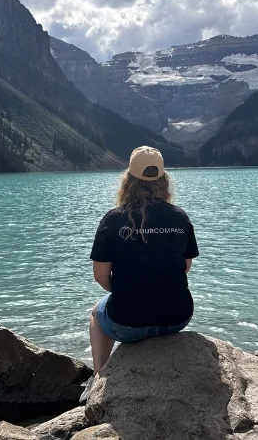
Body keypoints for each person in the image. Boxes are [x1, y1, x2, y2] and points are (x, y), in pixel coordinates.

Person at [80, 146, 199, 403]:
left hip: (127, 324)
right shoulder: (180, 217)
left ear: (128, 181)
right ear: (163, 180)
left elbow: (100, 276)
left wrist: (126, 289)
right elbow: (185, 266)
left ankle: (98, 378)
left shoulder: (113, 219)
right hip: (177, 318)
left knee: (96, 314)